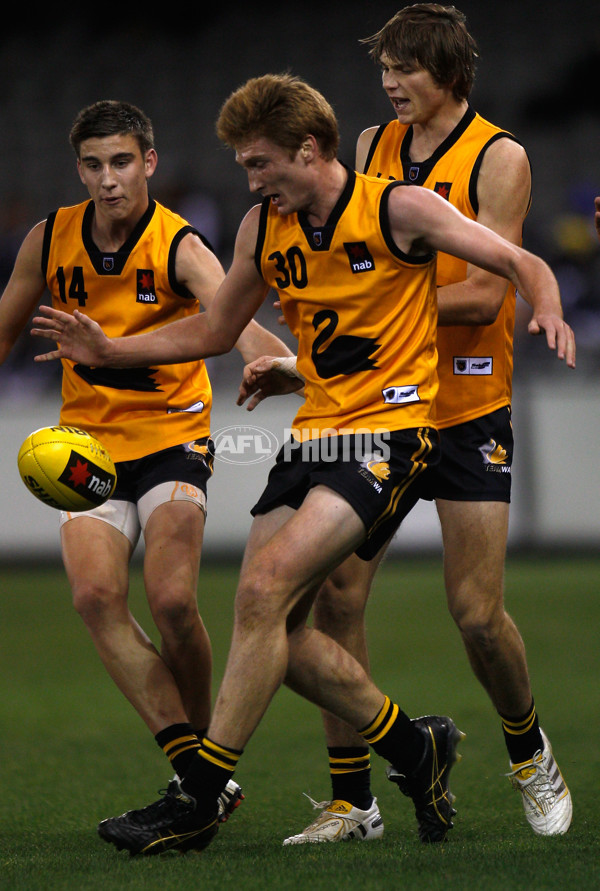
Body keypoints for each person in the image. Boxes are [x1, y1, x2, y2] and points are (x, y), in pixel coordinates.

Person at [31, 73, 570, 857]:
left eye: (260, 165)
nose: (251, 182)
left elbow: (521, 264)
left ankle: (199, 796)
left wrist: (547, 305)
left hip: (391, 433)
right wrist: (112, 349)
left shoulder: (397, 208)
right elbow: (217, 327)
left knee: (262, 590)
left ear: (309, 150)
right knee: (275, 631)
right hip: (314, 431)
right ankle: (415, 747)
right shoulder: (262, 226)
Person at [240, 5, 575, 844]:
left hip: (465, 405)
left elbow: (486, 295)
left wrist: (366, 313)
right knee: (334, 603)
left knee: (476, 615)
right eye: (384, 68)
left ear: (449, 75)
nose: (389, 83)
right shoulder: (366, 147)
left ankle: (529, 751)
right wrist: (329, 343)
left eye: (405, 70)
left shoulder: (501, 158)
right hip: (377, 408)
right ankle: (356, 801)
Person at [0, 99, 294, 821]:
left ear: (149, 163)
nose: (108, 180)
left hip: (172, 439)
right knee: (95, 597)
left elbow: (235, 321)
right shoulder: (49, 239)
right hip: (86, 449)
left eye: (122, 162)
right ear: (80, 169)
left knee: (170, 600)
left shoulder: (179, 245)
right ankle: (199, 771)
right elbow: (6, 323)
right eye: (94, 165)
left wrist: (280, 363)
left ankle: (201, 771)